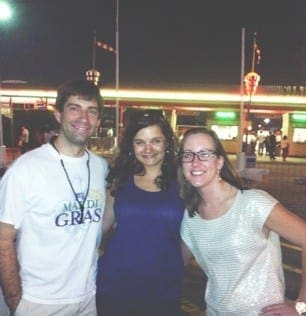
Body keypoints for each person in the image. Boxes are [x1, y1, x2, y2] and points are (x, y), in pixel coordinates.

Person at [178, 127, 306, 316]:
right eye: (188, 155)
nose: (195, 162)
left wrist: (302, 305)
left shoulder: (252, 204)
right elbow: (174, 263)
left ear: (219, 161)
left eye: (204, 154)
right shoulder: (191, 217)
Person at [0, 78, 107, 315]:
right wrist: (16, 301)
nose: (83, 118)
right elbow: (3, 239)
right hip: (39, 302)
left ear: (98, 120)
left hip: (88, 298)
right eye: (74, 108)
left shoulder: (101, 167)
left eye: (91, 111)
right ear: (58, 115)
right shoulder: (25, 169)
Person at [96, 111, 185, 315]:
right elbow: (101, 227)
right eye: (140, 142)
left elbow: (191, 239)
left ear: (167, 144)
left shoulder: (183, 182)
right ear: (131, 146)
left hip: (164, 285)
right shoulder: (120, 179)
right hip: (115, 283)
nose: (148, 149)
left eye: (156, 141)